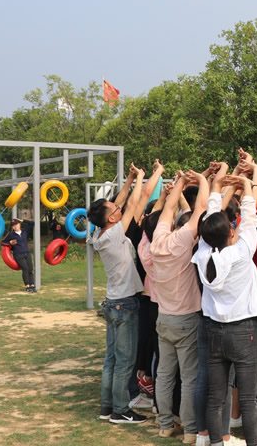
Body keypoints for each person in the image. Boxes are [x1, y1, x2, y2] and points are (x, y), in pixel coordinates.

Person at [192, 173, 257, 446]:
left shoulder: (202, 254)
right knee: (248, 399)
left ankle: (216, 443)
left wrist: (216, 188)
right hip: (243, 330)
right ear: (231, 231)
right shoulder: (242, 252)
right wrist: (246, 185)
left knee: (215, 397)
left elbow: (210, 220)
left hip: (213, 330)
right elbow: (250, 218)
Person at [151, 170, 209, 440]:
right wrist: (203, 180)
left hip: (164, 318)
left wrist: (181, 184)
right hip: (187, 319)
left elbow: (168, 208)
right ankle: (190, 429)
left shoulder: (158, 241)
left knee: (164, 374)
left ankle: (165, 425)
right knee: (189, 377)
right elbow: (202, 208)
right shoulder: (186, 240)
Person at [87, 164, 147, 425]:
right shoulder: (113, 234)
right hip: (125, 304)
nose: (118, 209)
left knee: (111, 359)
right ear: (111, 219)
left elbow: (120, 203)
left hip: (113, 302)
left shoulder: (99, 231)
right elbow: (132, 204)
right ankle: (121, 410)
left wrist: (130, 178)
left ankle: (107, 406)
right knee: (125, 361)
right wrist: (141, 178)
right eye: (114, 211)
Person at [1, 218, 36, 293]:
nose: (15, 226)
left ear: (19, 224)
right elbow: (3, 242)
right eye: (13, 225)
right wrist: (10, 242)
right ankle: (27, 286)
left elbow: (32, 223)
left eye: (16, 224)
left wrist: (23, 220)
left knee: (30, 269)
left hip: (27, 253)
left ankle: (32, 285)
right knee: (25, 269)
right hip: (18, 254)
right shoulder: (11, 234)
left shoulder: (24, 231)